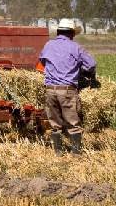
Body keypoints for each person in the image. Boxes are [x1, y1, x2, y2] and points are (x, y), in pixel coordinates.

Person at [38, 18, 96, 155]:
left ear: (58, 32)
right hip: (67, 91)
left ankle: (58, 152)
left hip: (50, 90)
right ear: (71, 33)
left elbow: (42, 61)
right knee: (73, 123)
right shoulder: (75, 47)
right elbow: (92, 64)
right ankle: (76, 153)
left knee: (55, 124)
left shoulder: (48, 45)